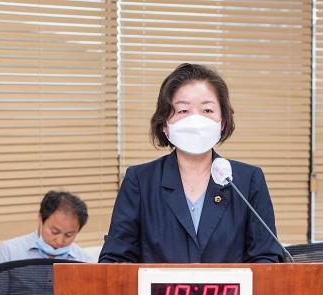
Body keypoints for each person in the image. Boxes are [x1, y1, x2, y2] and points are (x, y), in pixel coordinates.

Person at [99, 63, 284, 263]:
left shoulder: (247, 181)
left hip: (231, 286)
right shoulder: (140, 181)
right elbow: (115, 259)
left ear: (222, 122)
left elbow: (267, 257)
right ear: (165, 125)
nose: (196, 121)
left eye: (207, 110)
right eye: (183, 111)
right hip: (159, 286)